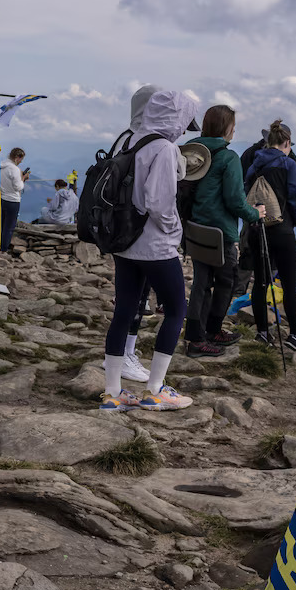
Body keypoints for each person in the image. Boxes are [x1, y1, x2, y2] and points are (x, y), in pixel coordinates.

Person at [100, 85, 196, 411]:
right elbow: (159, 202)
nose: (184, 127)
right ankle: (156, 389)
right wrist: (174, 230)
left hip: (124, 242)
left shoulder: (129, 139)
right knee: (175, 310)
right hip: (155, 245)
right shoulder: (164, 148)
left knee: (124, 311)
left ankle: (112, 392)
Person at [183, 105, 262, 358]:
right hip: (220, 231)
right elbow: (235, 201)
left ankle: (196, 336)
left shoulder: (191, 152)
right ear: (226, 128)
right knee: (227, 281)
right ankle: (210, 332)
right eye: (233, 126)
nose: (235, 130)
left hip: (194, 227)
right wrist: (255, 214)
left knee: (201, 283)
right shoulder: (228, 158)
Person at [245, 119, 296, 352]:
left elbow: (246, 191)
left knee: (260, 282)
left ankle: (262, 332)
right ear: (287, 142)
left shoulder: (254, 165)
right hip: (282, 230)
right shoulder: (288, 164)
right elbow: (294, 196)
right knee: (289, 284)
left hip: (257, 228)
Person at [0, 148, 29, 254]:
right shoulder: (14, 169)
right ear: (17, 158)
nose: (21, 161)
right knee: (9, 226)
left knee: (1, 224)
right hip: (13, 200)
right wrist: (23, 178)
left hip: (2, 198)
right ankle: (3, 248)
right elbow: (18, 187)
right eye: (21, 159)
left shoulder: (1, 167)